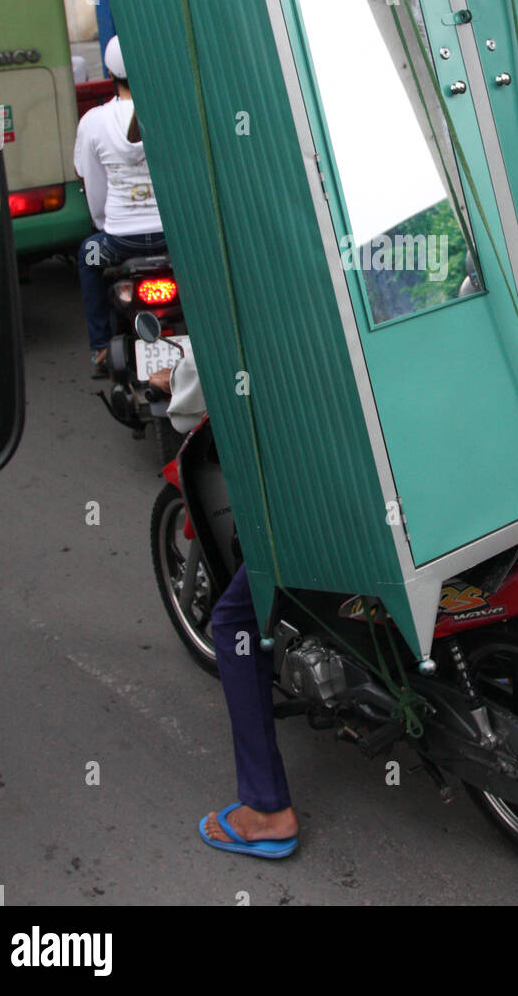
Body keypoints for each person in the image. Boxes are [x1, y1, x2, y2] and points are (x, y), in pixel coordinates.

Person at [148, 354, 299, 858]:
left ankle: (265, 809)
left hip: (326, 493)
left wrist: (178, 378)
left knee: (233, 619)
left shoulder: (274, 286)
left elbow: (210, 374)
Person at [74, 36, 167, 375]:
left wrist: (104, 225)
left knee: (87, 256)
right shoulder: (170, 112)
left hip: (119, 240)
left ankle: (100, 347)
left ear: (111, 72)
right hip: (172, 237)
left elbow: (94, 188)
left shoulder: (94, 122)